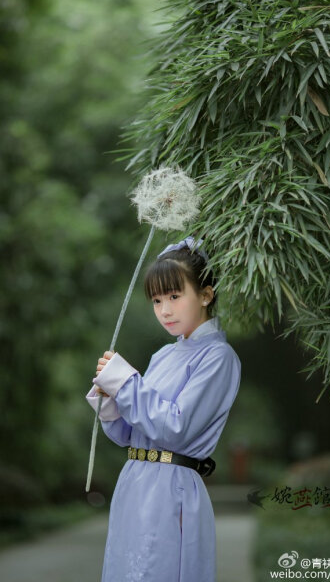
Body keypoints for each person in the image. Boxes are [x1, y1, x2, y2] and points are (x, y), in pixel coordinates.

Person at [85, 235, 241, 582]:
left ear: (205, 294)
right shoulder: (164, 355)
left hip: (172, 488)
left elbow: (174, 428)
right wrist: (111, 399)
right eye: (157, 300)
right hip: (135, 483)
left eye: (174, 295)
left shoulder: (217, 357)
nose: (165, 310)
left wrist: (127, 383)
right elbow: (132, 434)